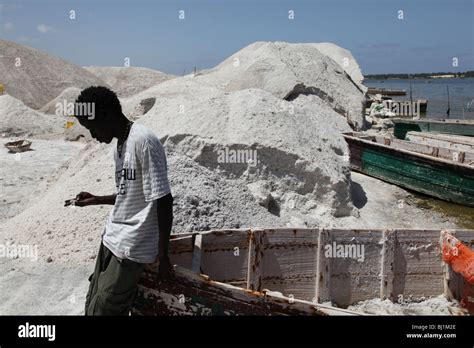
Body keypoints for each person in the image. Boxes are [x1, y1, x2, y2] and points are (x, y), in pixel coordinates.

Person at [64, 86, 173, 315]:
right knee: (91, 305)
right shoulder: (120, 147)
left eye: (92, 128)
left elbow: (163, 199)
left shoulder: (143, 141)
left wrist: (163, 256)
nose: (93, 136)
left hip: (130, 248)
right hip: (110, 240)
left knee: (104, 310)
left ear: (105, 115)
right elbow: (129, 195)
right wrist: (96, 199)